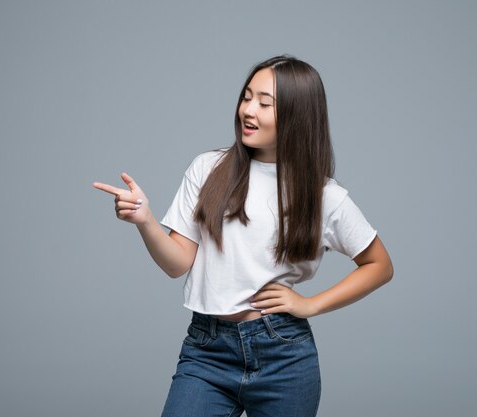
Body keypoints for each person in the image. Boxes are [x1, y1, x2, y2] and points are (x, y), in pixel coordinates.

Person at [93, 54, 394, 417]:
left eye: (265, 103)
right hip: (207, 350)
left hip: (283, 355)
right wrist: (146, 221)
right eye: (246, 96)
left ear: (298, 115)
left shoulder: (323, 195)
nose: (248, 110)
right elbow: (177, 265)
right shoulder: (208, 168)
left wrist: (311, 304)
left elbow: (379, 265)